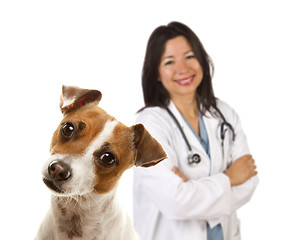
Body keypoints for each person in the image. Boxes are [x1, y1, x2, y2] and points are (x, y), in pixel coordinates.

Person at [133, 21, 259, 240]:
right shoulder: (149, 126)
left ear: (202, 59)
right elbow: (175, 202)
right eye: (170, 61)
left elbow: (249, 181)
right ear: (156, 73)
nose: (183, 69)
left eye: (190, 56)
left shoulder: (224, 114)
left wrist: (192, 188)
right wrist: (229, 179)